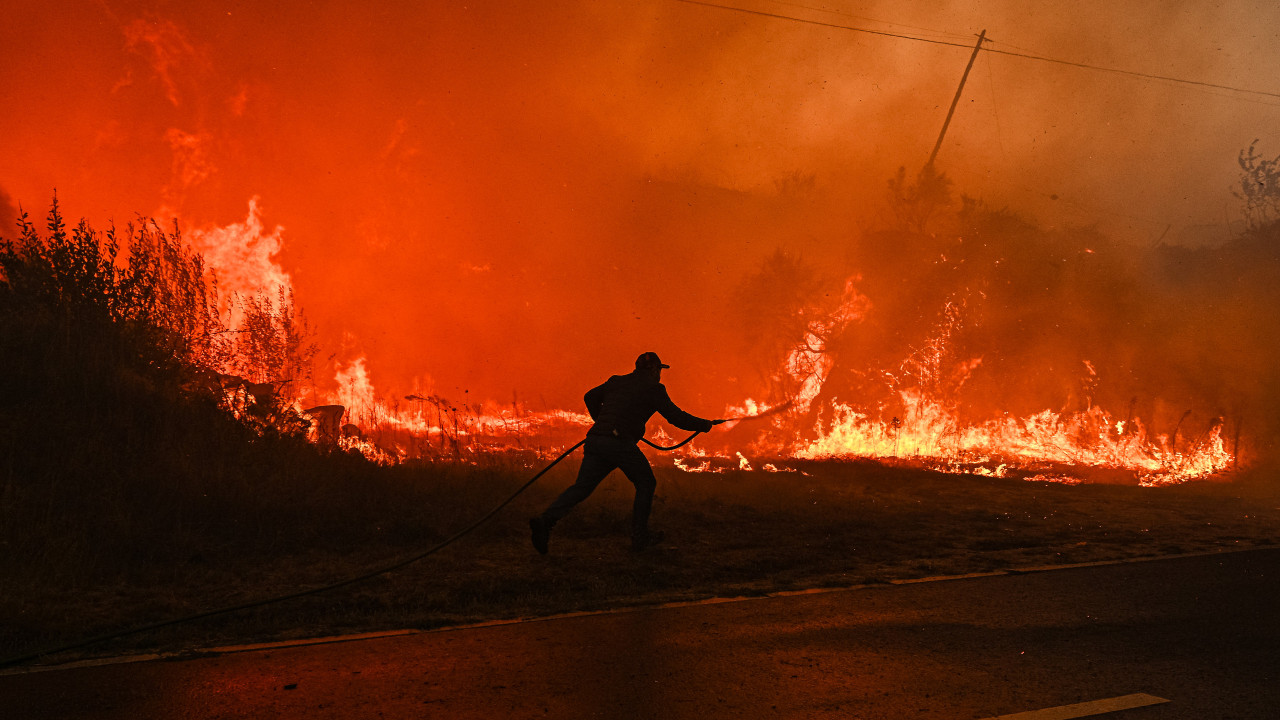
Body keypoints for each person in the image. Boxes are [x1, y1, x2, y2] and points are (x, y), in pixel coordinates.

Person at [530, 352, 718, 554]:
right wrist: (704, 425)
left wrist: (602, 421)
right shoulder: (654, 388)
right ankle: (640, 538)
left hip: (597, 440)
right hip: (619, 444)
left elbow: (590, 396)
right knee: (646, 482)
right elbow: (675, 417)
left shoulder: (616, 381)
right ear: (654, 369)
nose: (659, 375)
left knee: (582, 487)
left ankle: (545, 521)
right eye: (659, 370)